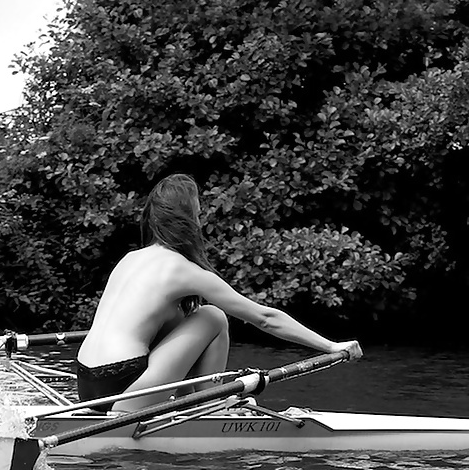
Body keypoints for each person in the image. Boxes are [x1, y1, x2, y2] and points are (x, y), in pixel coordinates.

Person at [76, 173, 362, 412]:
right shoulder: (184, 271)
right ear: (187, 219)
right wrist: (331, 346)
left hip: (88, 385)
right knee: (212, 316)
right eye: (198, 214)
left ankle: (189, 401)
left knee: (184, 317)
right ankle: (209, 406)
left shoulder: (130, 259)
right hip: (124, 386)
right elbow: (264, 318)